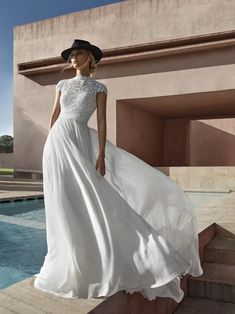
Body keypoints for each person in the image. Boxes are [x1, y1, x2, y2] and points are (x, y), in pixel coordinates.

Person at [33, 39, 203, 303]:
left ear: (90, 58)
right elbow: (54, 115)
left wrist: (101, 154)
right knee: (62, 199)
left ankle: (135, 253)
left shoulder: (99, 87)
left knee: (92, 196)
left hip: (79, 139)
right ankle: (69, 257)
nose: (74, 58)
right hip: (57, 142)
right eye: (71, 55)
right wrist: (48, 143)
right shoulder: (62, 84)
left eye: (79, 54)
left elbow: (101, 122)